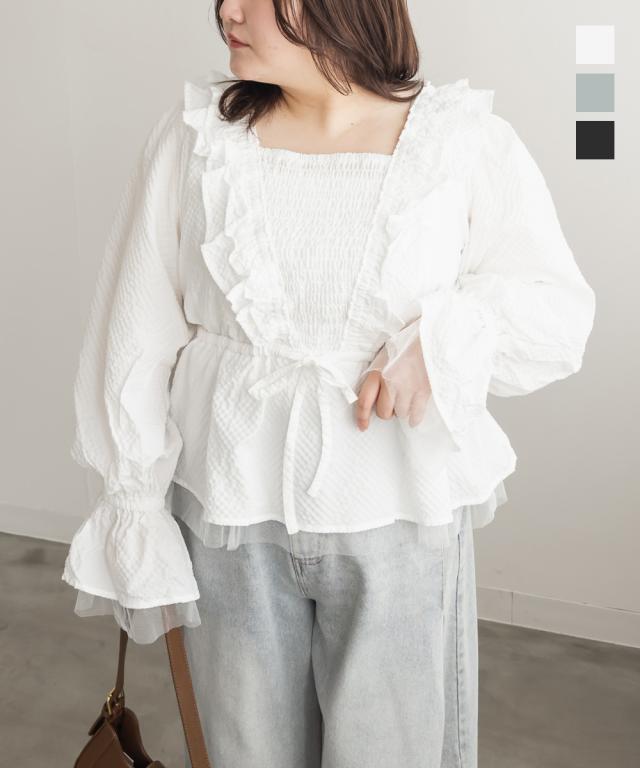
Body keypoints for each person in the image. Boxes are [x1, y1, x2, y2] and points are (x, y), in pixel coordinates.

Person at [60, 1, 596, 766]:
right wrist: (133, 500)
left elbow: (555, 311)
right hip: (227, 515)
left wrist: (438, 344)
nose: (228, 10)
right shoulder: (197, 139)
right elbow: (133, 331)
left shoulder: (458, 141)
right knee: (244, 754)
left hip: (398, 517)